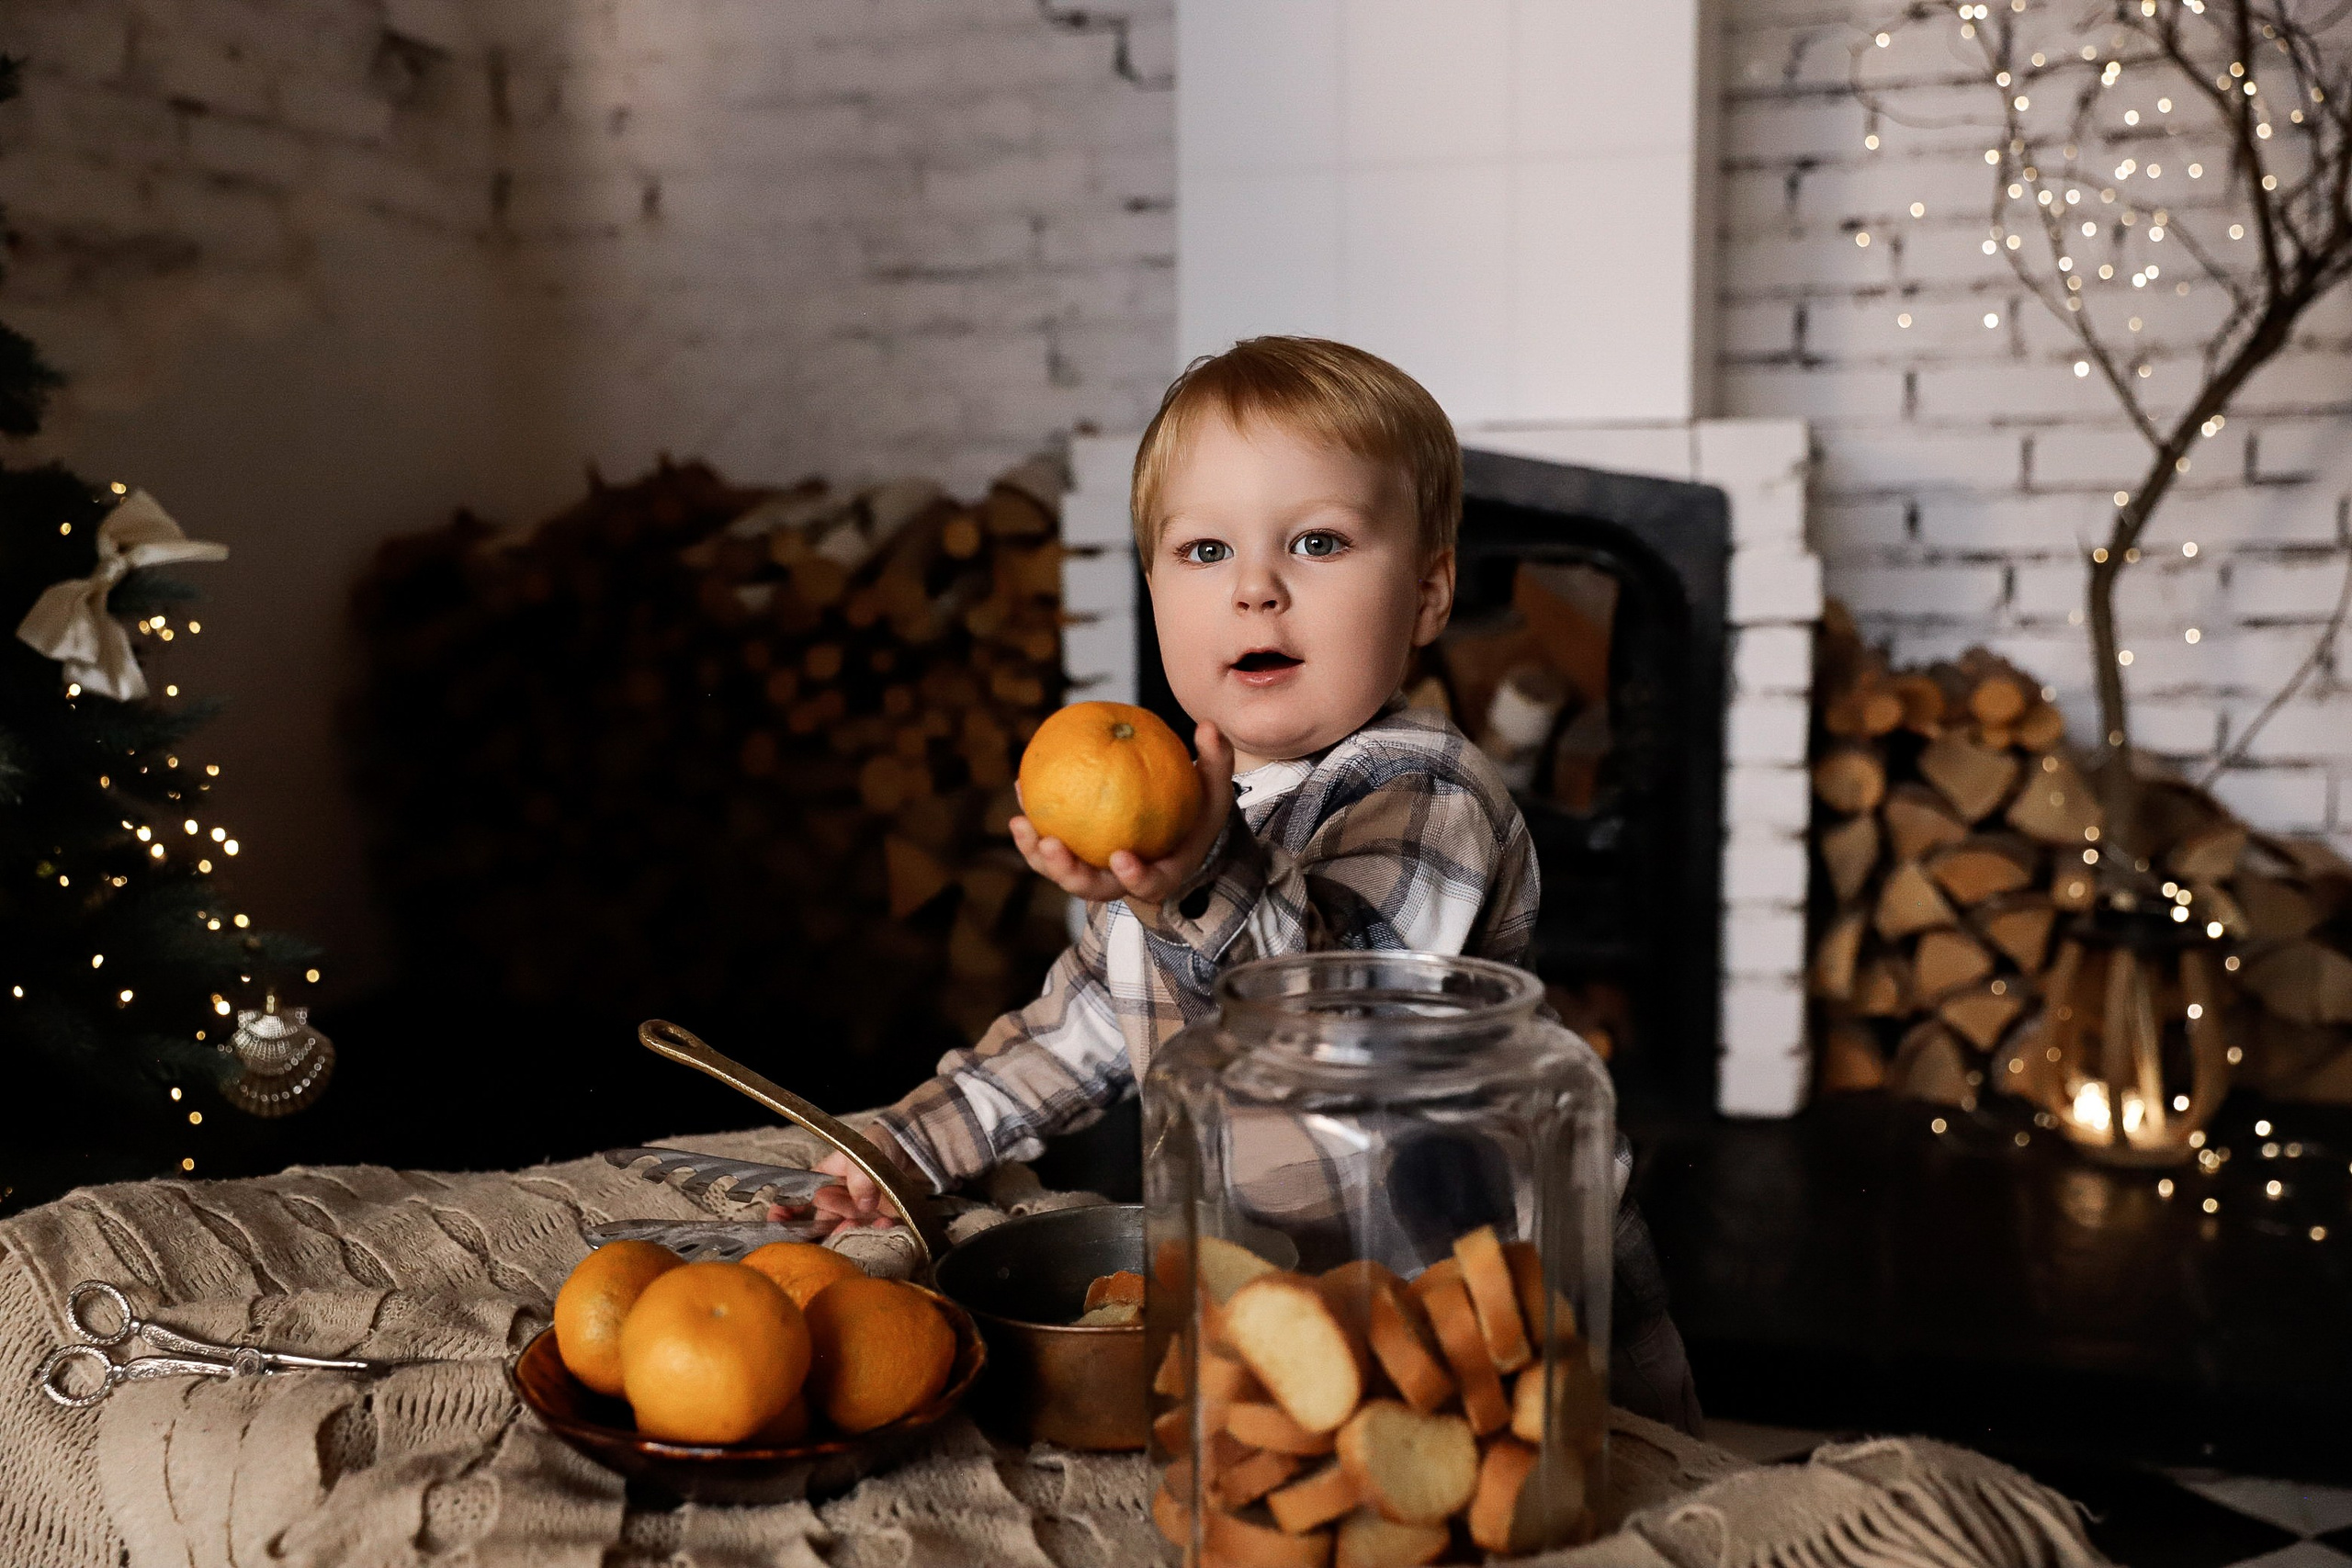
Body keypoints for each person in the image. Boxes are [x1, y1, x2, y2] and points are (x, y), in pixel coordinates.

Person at [788, 335, 1699, 1431]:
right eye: (1204, 550)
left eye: (1316, 542)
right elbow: (1079, 1025)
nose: (1257, 589)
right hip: (1286, 1291)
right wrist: (907, 1144)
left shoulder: (1426, 788)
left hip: (1474, 1306)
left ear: (1426, 594)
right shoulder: (1179, 819)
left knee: (1545, 1504)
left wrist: (1190, 882)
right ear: (1156, 595)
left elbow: (1330, 1009)